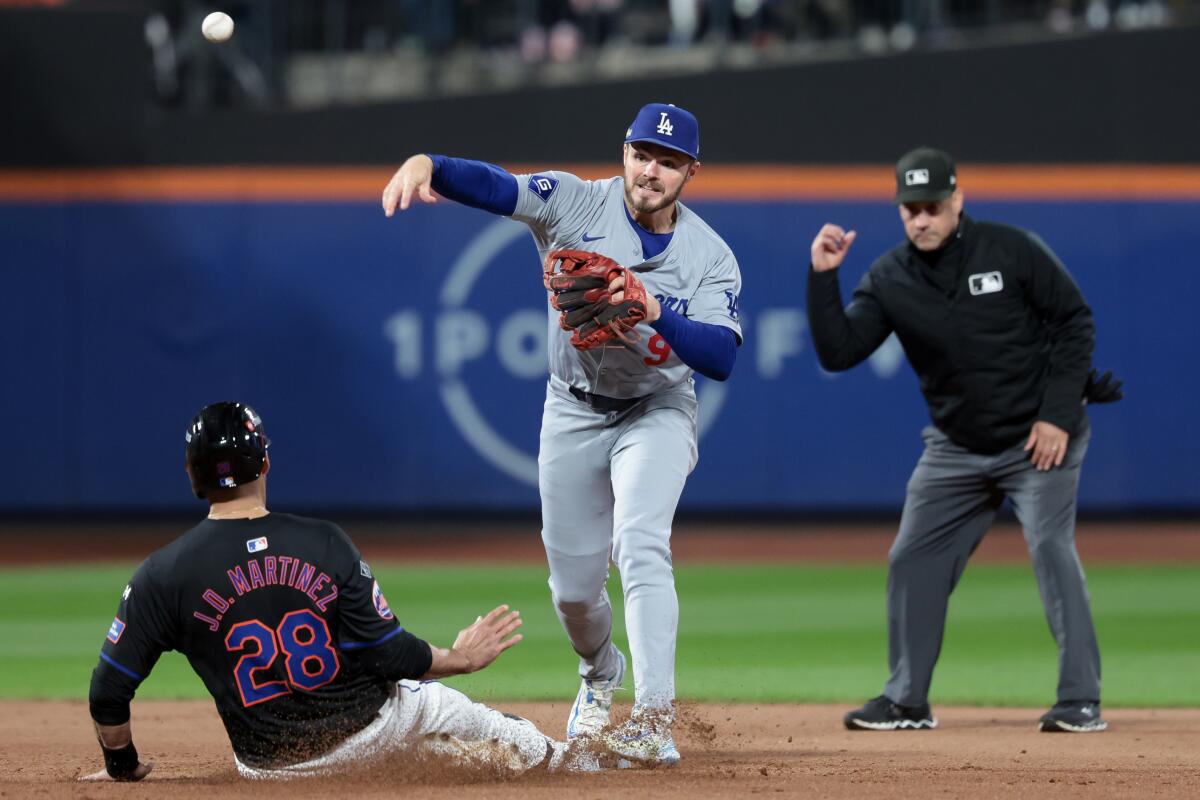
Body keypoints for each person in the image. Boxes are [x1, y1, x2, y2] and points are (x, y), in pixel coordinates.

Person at [381, 102, 743, 765]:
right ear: (625, 152)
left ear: (691, 170)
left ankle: (653, 717)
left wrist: (652, 306)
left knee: (639, 542)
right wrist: (429, 164)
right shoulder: (576, 202)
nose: (650, 170)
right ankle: (601, 670)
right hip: (572, 407)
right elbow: (498, 187)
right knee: (574, 592)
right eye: (642, 154)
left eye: (667, 161)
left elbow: (720, 357)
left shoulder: (709, 255)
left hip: (656, 409)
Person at [84, 401, 589, 782]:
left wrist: (121, 766)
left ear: (193, 477)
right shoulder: (321, 541)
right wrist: (459, 657)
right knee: (504, 736)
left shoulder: (162, 574)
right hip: (371, 733)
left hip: (270, 770)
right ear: (263, 462)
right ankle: (578, 761)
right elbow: (390, 654)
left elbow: (108, 691)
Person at [807, 147, 1121, 734]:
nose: (920, 219)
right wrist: (824, 278)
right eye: (910, 209)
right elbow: (840, 350)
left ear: (956, 200)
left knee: (1052, 549)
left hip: (1038, 439)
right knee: (911, 557)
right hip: (956, 445)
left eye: (931, 206)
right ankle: (906, 700)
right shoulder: (892, 276)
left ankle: (1081, 699)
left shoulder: (1011, 248)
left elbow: (1074, 320)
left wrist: (1056, 414)